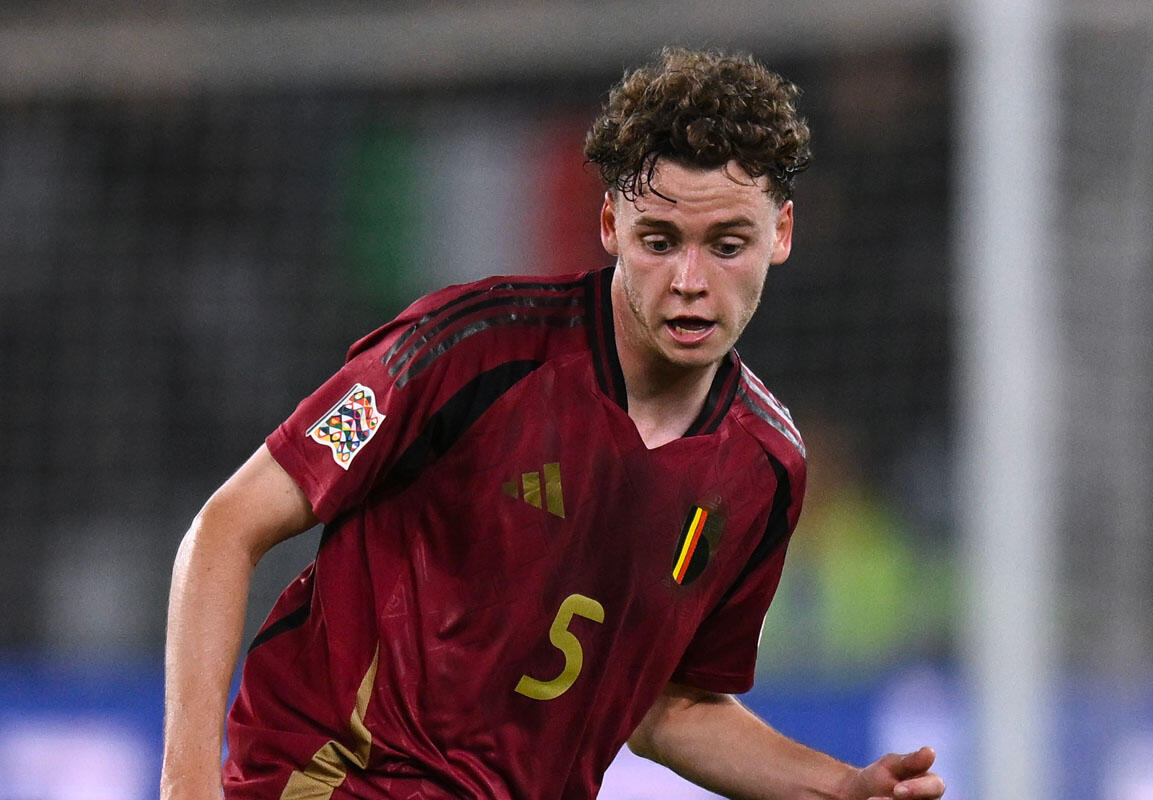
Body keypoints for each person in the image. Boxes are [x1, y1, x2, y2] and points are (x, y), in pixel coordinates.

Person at [161, 47, 945, 800]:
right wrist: (188, 787)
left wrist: (838, 787)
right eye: (659, 241)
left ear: (781, 235)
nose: (691, 282)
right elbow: (228, 526)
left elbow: (665, 705)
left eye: (728, 245)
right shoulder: (468, 350)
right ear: (609, 225)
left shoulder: (765, 468)